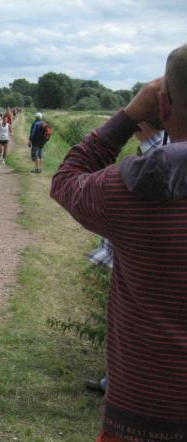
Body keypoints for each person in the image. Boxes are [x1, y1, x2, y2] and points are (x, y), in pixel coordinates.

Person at [49, 44, 187, 442]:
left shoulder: (136, 190)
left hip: (144, 423)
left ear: (165, 104)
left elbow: (67, 178)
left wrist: (128, 116)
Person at [83, 119, 168, 395]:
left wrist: (124, 120)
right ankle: (117, 381)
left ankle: (125, 386)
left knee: (138, 325)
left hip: (151, 260)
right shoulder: (159, 148)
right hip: (149, 256)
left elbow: (70, 179)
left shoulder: (160, 152)